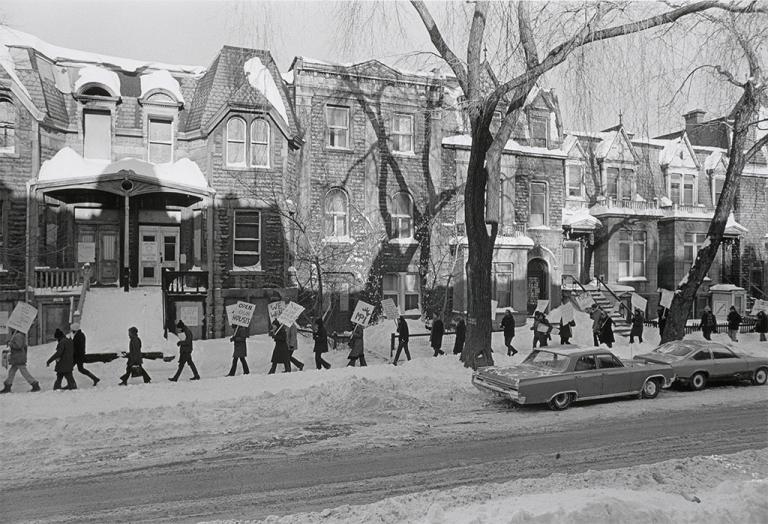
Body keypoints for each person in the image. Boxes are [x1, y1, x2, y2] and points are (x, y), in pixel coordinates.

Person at [1, 328, 40, 393]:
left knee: (24, 372)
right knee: (12, 372)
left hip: (18, 357)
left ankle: (34, 384)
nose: (10, 329)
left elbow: (18, 346)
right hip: (17, 357)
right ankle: (7, 386)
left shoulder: (18, 335)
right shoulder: (19, 335)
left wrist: (11, 344)